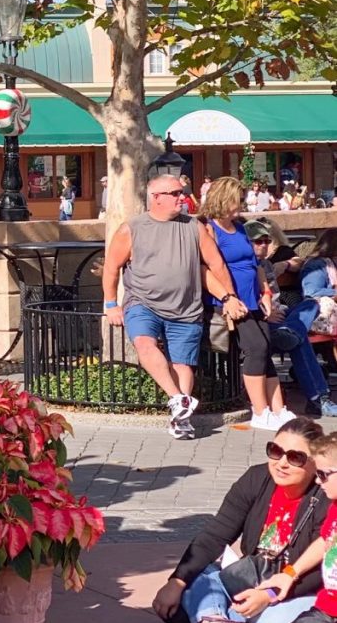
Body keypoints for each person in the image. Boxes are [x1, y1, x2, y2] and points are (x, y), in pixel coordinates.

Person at [153, 417, 328, 623]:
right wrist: (176, 581)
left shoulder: (325, 495)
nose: (281, 463)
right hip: (250, 577)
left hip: (297, 588)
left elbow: (320, 569)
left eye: (294, 457)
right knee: (196, 578)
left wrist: (268, 594)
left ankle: (212, 616)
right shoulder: (256, 478)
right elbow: (216, 533)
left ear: (314, 462)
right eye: (275, 451)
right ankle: (217, 622)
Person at [103, 175, 236, 439]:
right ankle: (177, 397)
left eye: (182, 192)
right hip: (143, 302)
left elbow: (216, 264)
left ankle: (181, 418)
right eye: (174, 193)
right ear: (156, 198)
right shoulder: (132, 228)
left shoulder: (193, 226)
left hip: (186, 307)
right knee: (144, 343)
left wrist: (230, 296)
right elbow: (111, 267)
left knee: (183, 363)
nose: (181, 197)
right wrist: (110, 304)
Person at [202, 177, 292, 430]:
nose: (240, 204)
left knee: (265, 347)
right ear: (223, 199)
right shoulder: (210, 229)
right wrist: (227, 298)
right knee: (255, 348)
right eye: (236, 200)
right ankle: (259, 410)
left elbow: (256, 264)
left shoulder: (241, 227)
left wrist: (265, 292)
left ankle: (278, 409)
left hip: (253, 295)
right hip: (231, 298)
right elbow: (208, 267)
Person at [252, 221, 337, 418]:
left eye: (266, 240)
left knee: (310, 307)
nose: (264, 245)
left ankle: (291, 331)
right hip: (260, 319)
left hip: (281, 314)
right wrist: (267, 312)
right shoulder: (244, 268)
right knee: (300, 339)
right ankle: (319, 399)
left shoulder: (265, 265)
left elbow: (292, 268)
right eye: (257, 241)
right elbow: (242, 300)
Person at [259, 430, 337, 623]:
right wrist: (291, 572)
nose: (318, 482)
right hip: (327, 606)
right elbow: (325, 541)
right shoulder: (334, 507)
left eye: (323, 474)